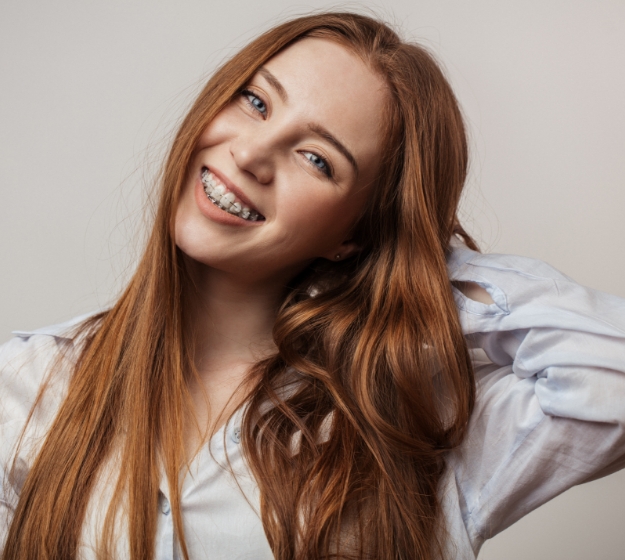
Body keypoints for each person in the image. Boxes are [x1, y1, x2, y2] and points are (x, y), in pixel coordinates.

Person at [1, 11, 624, 560]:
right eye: (255, 102)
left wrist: (409, 267)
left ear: (352, 234)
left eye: (318, 158)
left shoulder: (417, 422)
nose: (251, 153)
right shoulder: (30, 389)